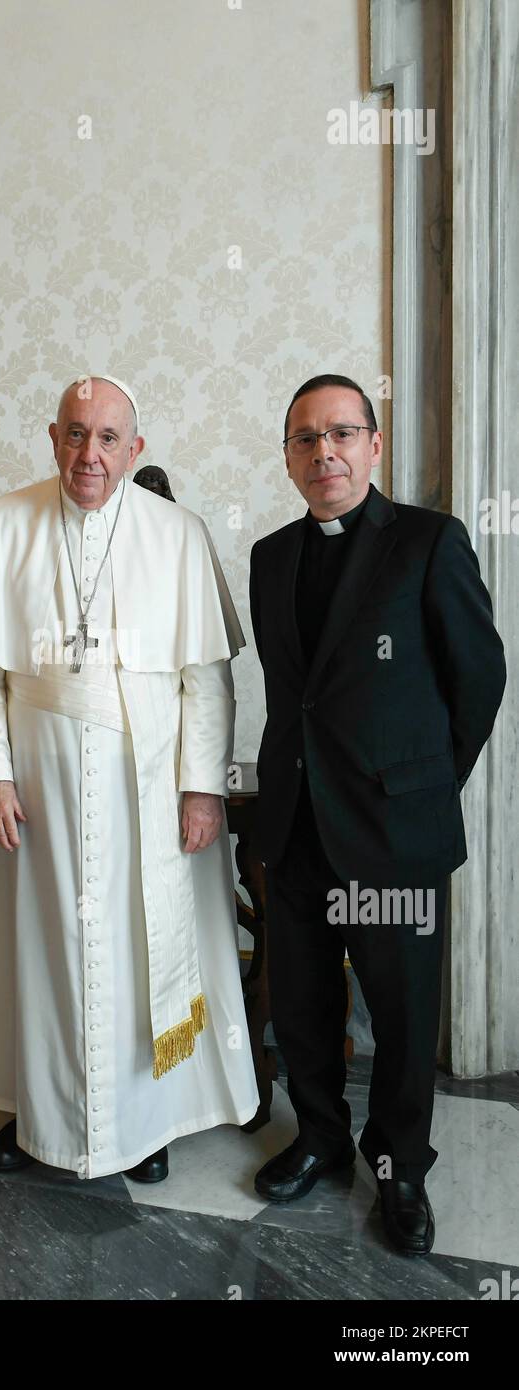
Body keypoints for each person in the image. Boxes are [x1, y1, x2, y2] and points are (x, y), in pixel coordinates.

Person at [0, 374, 259, 1182]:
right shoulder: (1, 522)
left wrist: (202, 786)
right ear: (52, 437)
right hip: (35, 788)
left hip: (146, 788)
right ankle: (36, 1114)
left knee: (138, 948)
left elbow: (205, 676)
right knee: (40, 947)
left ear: (135, 448)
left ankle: (141, 1126)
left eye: (109, 438)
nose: (90, 453)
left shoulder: (177, 533)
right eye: (76, 434)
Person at [248, 373, 505, 1254]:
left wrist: (426, 784)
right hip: (297, 830)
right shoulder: (270, 557)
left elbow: (480, 678)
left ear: (374, 445)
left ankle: (400, 1169)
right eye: (306, 439)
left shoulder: (430, 542)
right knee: (305, 1005)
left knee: (399, 1015)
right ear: (288, 456)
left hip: (394, 834)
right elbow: (297, 699)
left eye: (343, 433)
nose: (325, 452)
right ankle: (318, 1137)